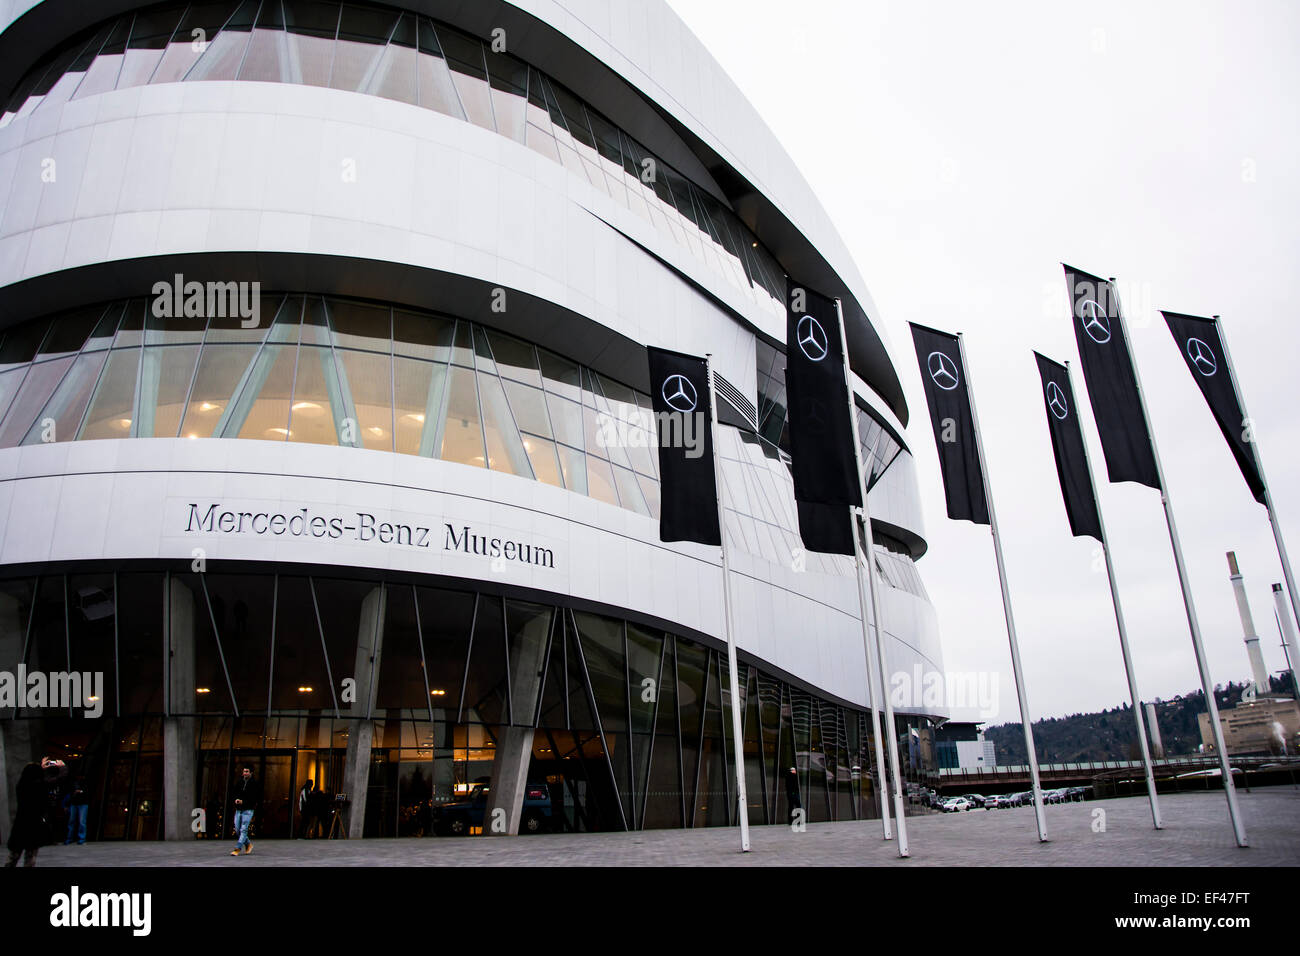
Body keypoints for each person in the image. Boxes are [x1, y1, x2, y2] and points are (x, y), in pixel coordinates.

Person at [6, 757, 65, 867]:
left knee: (13, 857)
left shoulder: (21, 785)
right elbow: (54, 781)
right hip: (33, 825)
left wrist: (40, 769)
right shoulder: (39, 785)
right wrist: (62, 769)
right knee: (30, 858)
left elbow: (38, 779)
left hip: (20, 825)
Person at [229, 766, 261, 856]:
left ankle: (237, 848)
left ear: (251, 773)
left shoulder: (254, 784)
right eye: (244, 771)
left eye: (247, 771)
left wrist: (243, 801)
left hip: (248, 810)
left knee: (243, 829)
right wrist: (236, 799)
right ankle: (248, 844)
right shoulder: (239, 782)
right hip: (239, 809)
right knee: (238, 830)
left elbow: (255, 798)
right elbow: (234, 793)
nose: (245, 773)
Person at [63, 776, 90, 845]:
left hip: (82, 803)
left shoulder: (85, 783)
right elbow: (69, 794)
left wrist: (81, 791)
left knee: (81, 821)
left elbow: (87, 791)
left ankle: (80, 838)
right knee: (72, 821)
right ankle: (70, 838)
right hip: (75, 803)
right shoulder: (73, 784)